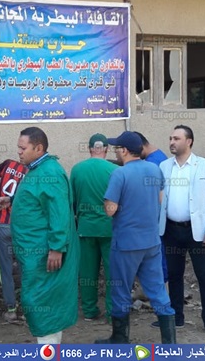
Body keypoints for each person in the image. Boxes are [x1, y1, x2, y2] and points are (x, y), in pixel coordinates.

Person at [0, 127, 79, 344]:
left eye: (23, 148)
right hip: (35, 255)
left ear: (38, 148)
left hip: (44, 255)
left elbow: (59, 213)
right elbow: (37, 197)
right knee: (40, 298)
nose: (19, 152)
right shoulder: (37, 169)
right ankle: (48, 344)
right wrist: (11, 201)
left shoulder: (49, 173)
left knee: (41, 300)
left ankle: (48, 348)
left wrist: (57, 248)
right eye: (18, 148)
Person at [97, 131, 176, 344]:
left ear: (124, 150)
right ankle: (170, 344)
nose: (116, 152)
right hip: (151, 242)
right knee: (157, 290)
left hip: (126, 244)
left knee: (121, 290)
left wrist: (108, 202)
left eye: (117, 148)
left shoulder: (119, 174)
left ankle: (119, 339)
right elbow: (160, 199)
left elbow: (110, 210)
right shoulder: (154, 169)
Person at [158, 125, 205, 336]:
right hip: (171, 230)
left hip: (198, 231)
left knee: (204, 275)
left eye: (176, 138)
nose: (171, 142)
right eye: (170, 138)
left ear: (189, 141)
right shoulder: (164, 166)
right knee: (174, 275)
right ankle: (176, 316)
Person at [70, 133, 118, 323]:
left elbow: (72, 200)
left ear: (90, 148)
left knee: (87, 272)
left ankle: (89, 310)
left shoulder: (77, 170)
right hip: (109, 228)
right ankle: (113, 312)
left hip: (85, 228)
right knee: (112, 272)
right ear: (106, 149)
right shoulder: (115, 170)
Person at [134, 131, 171, 329]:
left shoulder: (152, 163)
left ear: (141, 147)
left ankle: (161, 299)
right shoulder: (158, 157)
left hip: (155, 220)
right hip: (159, 219)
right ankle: (155, 294)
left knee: (158, 259)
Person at [0, 159, 29, 323]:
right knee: (25, 268)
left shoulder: (8, 164)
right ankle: (27, 310)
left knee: (5, 269)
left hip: (1, 224)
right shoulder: (32, 174)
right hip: (20, 225)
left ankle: (11, 310)